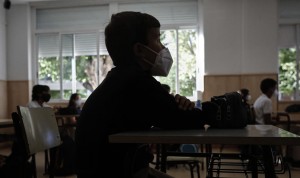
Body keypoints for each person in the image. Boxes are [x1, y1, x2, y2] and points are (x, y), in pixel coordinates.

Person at [75, 11, 211, 178]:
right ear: (139, 49)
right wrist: (217, 111)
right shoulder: (135, 82)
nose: (163, 48)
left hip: (115, 169)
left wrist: (182, 108)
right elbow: (185, 119)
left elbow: (170, 114)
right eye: (157, 39)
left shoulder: (123, 78)